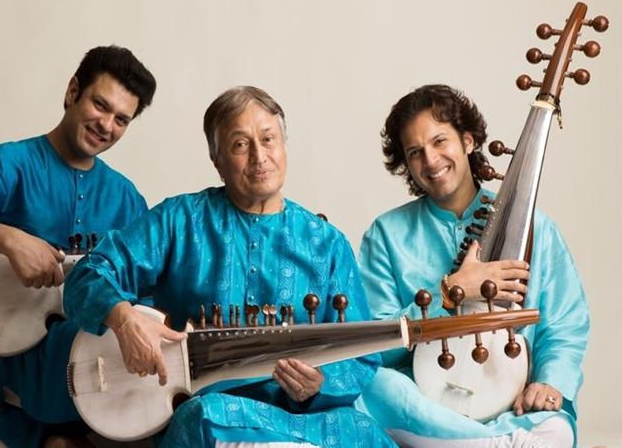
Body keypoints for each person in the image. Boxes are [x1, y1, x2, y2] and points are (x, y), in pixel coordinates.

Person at [64, 86, 396, 448]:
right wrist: (124, 321)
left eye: (269, 139)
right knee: (205, 416)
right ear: (217, 159)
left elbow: (362, 357)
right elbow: (89, 273)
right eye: (240, 144)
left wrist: (320, 384)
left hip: (300, 418)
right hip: (213, 416)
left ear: (284, 146)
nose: (260, 157)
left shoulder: (326, 243)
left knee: (364, 433)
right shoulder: (181, 221)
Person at [0, 45, 157, 447]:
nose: (106, 125)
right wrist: (8, 239)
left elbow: (146, 287)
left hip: (96, 379)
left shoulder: (126, 198)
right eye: (100, 104)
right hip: (17, 365)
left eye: (121, 119)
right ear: (72, 91)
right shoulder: (9, 164)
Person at [353, 84, 589, 447]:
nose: (430, 161)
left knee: (555, 426)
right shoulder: (386, 234)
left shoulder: (533, 228)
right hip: (423, 403)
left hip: (514, 403)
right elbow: (377, 345)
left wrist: (550, 383)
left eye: (439, 142)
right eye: (415, 152)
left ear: (468, 140)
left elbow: (564, 324)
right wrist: (450, 292)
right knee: (374, 387)